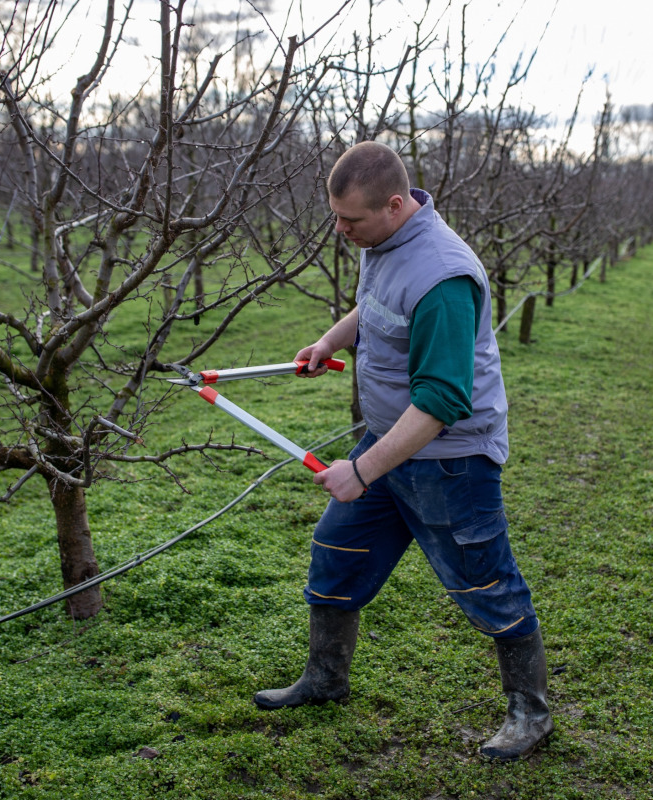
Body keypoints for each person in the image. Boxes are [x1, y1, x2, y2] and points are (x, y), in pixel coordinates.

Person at [253, 141, 552, 761]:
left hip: (450, 460)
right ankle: (326, 679)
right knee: (336, 556)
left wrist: (361, 471)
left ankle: (531, 714)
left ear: (395, 205)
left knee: (487, 584)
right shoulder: (384, 242)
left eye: (350, 221)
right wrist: (329, 338)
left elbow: (443, 401)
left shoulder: (443, 276)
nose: (339, 231)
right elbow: (378, 304)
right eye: (335, 217)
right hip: (389, 443)